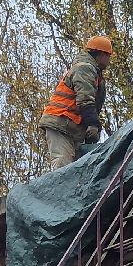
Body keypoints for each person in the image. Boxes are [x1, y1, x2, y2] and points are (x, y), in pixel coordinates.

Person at [40, 35, 113, 170]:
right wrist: (93, 124)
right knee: (62, 163)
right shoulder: (85, 69)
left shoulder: (93, 72)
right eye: (109, 55)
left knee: (74, 168)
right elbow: (85, 101)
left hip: (70, 126)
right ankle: (59, 191)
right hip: (60, 122)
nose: (109, 60)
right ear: (101, 54)